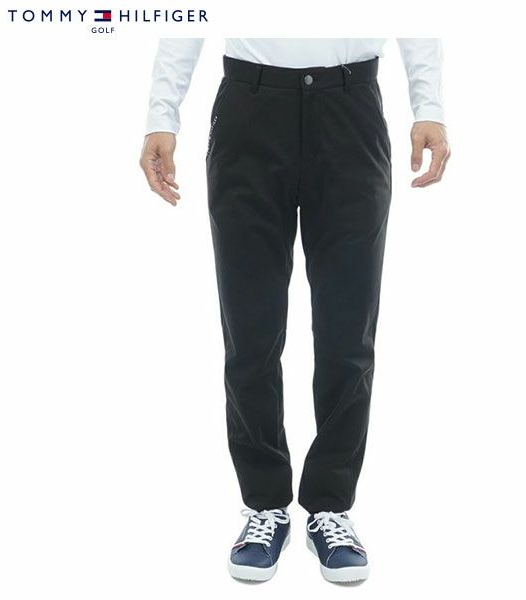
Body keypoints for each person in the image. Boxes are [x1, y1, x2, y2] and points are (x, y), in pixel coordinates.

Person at [140, 38, 449, 583]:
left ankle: (330, 507)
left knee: (347, 333)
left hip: (350, 109)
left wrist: (430, 106)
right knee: (250, 330)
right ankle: (265, 505)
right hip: (249, 111)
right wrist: (161, 115)